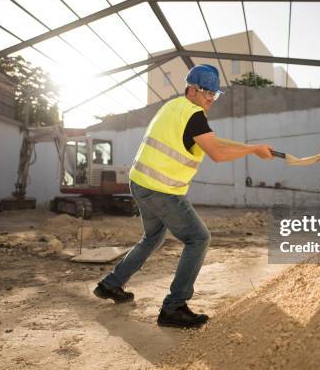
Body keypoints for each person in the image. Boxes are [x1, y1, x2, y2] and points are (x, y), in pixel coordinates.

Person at [94, 64, 274, 328]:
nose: (211, 99)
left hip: (140, 183)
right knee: (199, 238)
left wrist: (253, 147)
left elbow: (211, 142)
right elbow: (218, 153)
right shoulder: (195, 116)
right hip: (162, 191)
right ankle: (174, 308)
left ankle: (111, 284)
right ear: (191, 89)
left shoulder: (173, 108)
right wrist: (253, 151)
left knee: (152, 238)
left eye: (215, 94)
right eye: (206, 92)